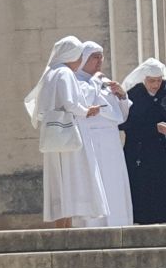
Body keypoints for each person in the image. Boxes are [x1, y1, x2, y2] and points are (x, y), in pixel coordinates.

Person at [24, 36, 108, 228]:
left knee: (58, 181)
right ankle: (66, 226)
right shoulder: (65, 73)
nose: (80, 61)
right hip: (69, 134)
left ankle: (62, 224)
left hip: (53, 135)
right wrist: (87, 110)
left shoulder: (50, 74)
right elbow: (70, 103)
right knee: (70, 178)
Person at [119, 58, 166, 224]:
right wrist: (154, 128)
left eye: (159, 80)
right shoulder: (134, 94)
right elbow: (126, 125)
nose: (156, 85)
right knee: (146, 194)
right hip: (142, 153)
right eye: (151, 81)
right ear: (143, 79)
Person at [72, 41, 133, 227]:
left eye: (101, 57)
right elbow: (84, 103)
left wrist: (122, 96)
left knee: (114, 184)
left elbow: (121, 116)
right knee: (95, 184)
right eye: (94, 57)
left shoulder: (104, 82)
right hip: (91, 140)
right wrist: (96, 82)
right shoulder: (76, 81)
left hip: (111, 142)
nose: (99, 61)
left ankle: (118, 223)